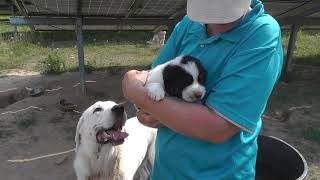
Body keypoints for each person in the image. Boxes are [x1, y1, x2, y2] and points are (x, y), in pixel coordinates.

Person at [122, 0, 283, 179]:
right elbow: (157, 75)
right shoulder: (190, 24)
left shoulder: (260, 33)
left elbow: (217, 127)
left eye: (224, 13)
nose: (214, 22)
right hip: (165, 171)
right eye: (207, 11)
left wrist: (135, 92)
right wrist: (147, 106)